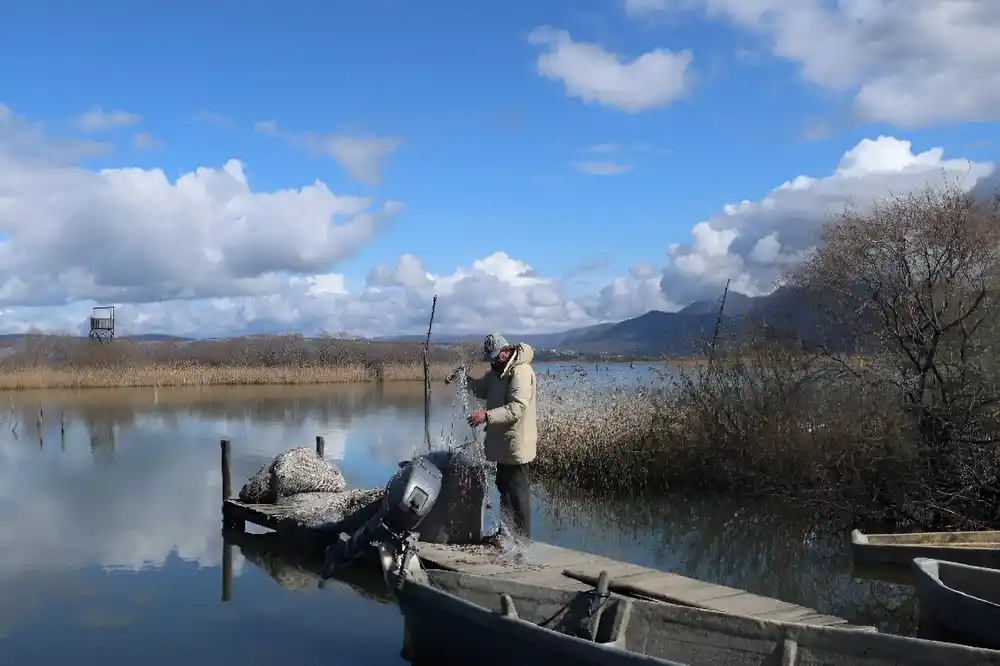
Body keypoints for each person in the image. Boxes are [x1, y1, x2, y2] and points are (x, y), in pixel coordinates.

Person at [445, 332, 537, 541]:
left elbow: (517, 408)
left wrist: (486, 415)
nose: (493, 361)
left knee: (517, 494)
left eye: (496, 356)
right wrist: (464, 378)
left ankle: (522, 541)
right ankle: (506, 534)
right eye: (491, 358)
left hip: (517, 444)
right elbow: (480, 389)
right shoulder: (497, 373)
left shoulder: (520, 372)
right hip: (502, 443)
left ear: (506, 351)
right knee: (504, 490)